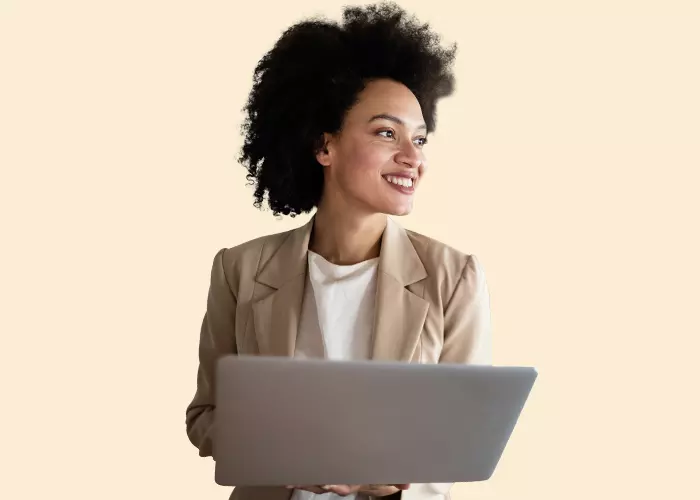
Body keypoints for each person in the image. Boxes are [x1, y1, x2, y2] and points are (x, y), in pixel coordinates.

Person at [185, 2, 492, 500]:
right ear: (324, 146)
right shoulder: (239, 270)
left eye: (420, 138)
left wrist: (386, 483)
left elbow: (466, 440)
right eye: (386, 133)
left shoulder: (453, 277)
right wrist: (286, 457)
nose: (413, 158)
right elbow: (205, 419)